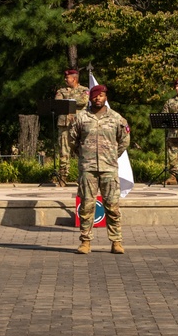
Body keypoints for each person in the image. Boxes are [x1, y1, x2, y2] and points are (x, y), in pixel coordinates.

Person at [69, 85, 130, 254]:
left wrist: (111, 155)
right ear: (90, 98)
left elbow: (124, 140)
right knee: (87, 205)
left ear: (105, 97)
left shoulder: (116, 118)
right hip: (88, 168)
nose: (98, 98)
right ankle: (85, 241)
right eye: (95, 95)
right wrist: (83, 155)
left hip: (109, 168)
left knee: (112, 206)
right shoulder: (81, 118)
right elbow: (72, 140)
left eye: (101, 95)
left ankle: (116, 241)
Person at [54, 69, 89, 186]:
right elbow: (58, 103)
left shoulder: (84, 90)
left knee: (82, 152)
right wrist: (72, 101)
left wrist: (67, 101)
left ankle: (82, 178)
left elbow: (83, 101)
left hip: (79, 125)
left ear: (74, 78)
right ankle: (62, 178)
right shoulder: (61, 91)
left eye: (67, 77)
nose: (65, 79)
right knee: (63, 152)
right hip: (64, 125)